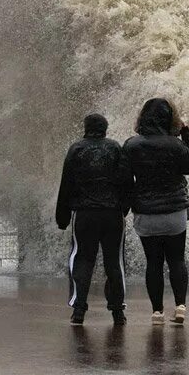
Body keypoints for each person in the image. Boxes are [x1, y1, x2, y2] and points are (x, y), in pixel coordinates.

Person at [121, 98, 189, 325]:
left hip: (146, 214)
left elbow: (125, 181)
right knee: (176, 260)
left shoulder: (132, 145)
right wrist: (186, 133)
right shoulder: (175, 145)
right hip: (174, 213)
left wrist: (124, 209)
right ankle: (181, 307)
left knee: (153, 263)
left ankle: (157, 312)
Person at [55, 113, 131, 326]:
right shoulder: (115, 148)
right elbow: (127, 182)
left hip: (85, 214)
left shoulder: (76, 149)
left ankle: (79, 310)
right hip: (112, 214)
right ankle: (118, 312)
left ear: (85, 128)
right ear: (105, 129)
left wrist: (62, 217)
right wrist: (123, 208)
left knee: (82, 260)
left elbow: (66, 185)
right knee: (114, 262)